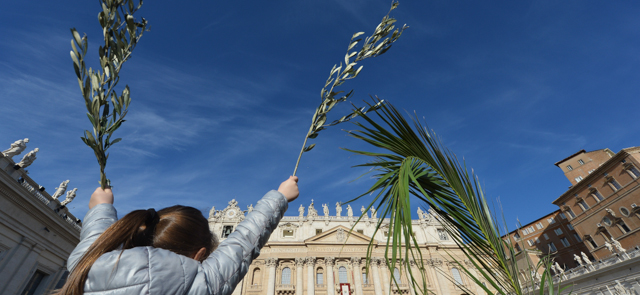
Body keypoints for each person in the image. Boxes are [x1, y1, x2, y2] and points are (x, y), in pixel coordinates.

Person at [56, 176, 300, 295]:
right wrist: (280, 197)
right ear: (200, 255)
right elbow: (245, 241)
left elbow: (98, 237)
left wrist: (101, 206)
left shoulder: (90, 264)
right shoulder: (197, 285)